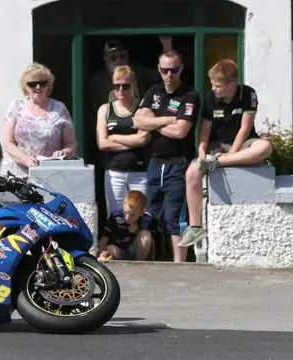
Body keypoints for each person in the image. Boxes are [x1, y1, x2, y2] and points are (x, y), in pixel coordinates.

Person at [179, 59, 273, 248]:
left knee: (265, 147)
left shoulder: (248, 94)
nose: (213, 88)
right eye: (212, 84)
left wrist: (227, 158)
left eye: (217, 85)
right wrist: (201, 153)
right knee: (191, 174)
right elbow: (204, 130)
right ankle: (195, 227)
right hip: (216, 145)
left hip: (241, 144)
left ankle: (217, 163)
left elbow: (244, 129)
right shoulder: (210, 98)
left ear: (231, 85)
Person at [132, 49, 200, 263]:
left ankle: (179, 264)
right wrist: (167, 120)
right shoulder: (153, 91)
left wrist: (154, 121)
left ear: (181, 69)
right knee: (155, 212)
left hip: (178, 164)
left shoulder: (189, 95)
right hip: (154, 163)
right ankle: (159, 259)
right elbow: (137, 122)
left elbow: (181, 132)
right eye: (165, 70)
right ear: (158, 70)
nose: (169, 74)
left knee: (175, 216)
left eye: (174, 69)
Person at [3, 62, 78, 178]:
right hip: (19, 176)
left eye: (43, 83)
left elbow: (71, 143)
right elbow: (8, 143)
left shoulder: (60, 108)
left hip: (51, 175)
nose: (38, 87)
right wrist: (26, 160)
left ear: (49, 85)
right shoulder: (15, 107)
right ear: (25, 86)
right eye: (32, 84)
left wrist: (64, 152)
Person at [96, 65, 150, 214]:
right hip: (114, 172)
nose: (120, 90)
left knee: (143, 216)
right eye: (116, 86)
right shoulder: (105, 109)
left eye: (125, 86)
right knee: (116, 217)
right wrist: (132, 142)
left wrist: (115, 137)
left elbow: (143, 139)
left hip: (140, 172)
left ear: (134, 84)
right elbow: (102, 143)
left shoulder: (143, 108)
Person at [96, 190, 157, 262]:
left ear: (141, 212)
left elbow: (152, 243)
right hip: (119, 249)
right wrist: (100, 253)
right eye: (125, 213)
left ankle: (139, 263)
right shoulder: (116, 217)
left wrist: (137, 231)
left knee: (145, 235)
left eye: (132, 215)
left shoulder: (147, 220)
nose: (127, 217)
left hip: (136, 250)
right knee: (109, 248)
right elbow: (106, 236)